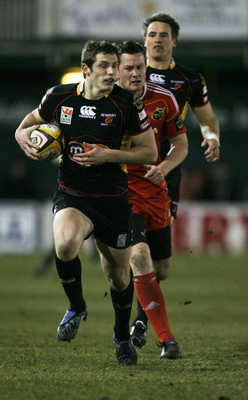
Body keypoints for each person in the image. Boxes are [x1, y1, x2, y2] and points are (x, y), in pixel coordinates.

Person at [15, 40, 158, 366]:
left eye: (114, 66)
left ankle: (121, 335)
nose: (112, 72)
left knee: (119, 277)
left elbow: (149, 151)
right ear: (86, 70)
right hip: (73, 194)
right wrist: (21, 136)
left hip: (113, 200)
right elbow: (23, 128)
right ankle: (77, 306)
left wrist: (109, 155)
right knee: (65, 245)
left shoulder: (127, 104)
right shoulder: (58, 97)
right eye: (105, 66)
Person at [130, 12, 221, 345]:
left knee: (161, 264)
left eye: (164, 35)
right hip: (127, 171)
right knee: (135, 250)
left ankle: (138, 308)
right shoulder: (130, 72)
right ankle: (139, 323)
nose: (157, 39)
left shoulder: (189, 79)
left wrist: (212, 138)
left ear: (174, 41)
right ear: (144, 41)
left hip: (166, 169)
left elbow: (207, 118)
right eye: (152, 34)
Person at [117, 41, 188, 358]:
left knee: (161, 269)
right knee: (140, 258)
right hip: (119, 194)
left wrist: (164, 168)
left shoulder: (164, 99)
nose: (135, 73)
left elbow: (181, 145)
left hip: (155, 192)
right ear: (117, 70)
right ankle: (168, 340)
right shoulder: (105, 101)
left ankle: (141, 321)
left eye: (140, 67)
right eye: (128, 68)